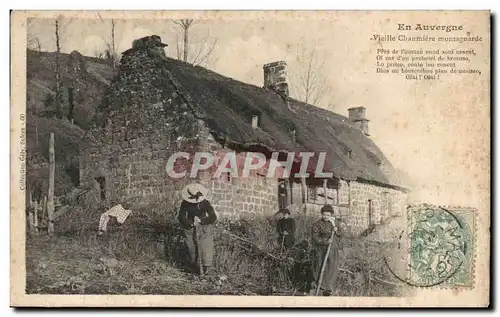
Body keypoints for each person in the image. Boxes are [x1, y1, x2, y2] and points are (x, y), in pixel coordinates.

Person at [177, 183, 218, 276]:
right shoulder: (185, 203)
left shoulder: (205, 203)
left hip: (204, 226)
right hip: (191, 226)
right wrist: (190, 223)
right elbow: (181, 217)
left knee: (206, 247)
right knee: (191, 247)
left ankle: (206, 269)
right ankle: (195, 268)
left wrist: (201, 221)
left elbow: (213, 217)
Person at [311, 204, 342, 296]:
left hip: (332, 249)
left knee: (332, 266)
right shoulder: (317, 224)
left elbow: (341, 235)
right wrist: (325, 241)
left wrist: (336, 231)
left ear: (331, 215)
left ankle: (328, 286)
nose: (326, 217)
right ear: (321, 214)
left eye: (328, 215)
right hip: (321, 249)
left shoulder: (334, 224)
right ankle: (319, 285)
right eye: (324, 215)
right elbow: (314, 238)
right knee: (319, 265)